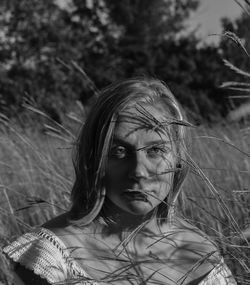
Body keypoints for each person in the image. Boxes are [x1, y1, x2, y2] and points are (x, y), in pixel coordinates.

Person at [3, 78, 237, 285]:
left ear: (178, 159)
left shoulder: (201, 253)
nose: (138, 171)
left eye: (155, 150)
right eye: (119, 151)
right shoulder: (50, 258)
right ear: (95, 158)